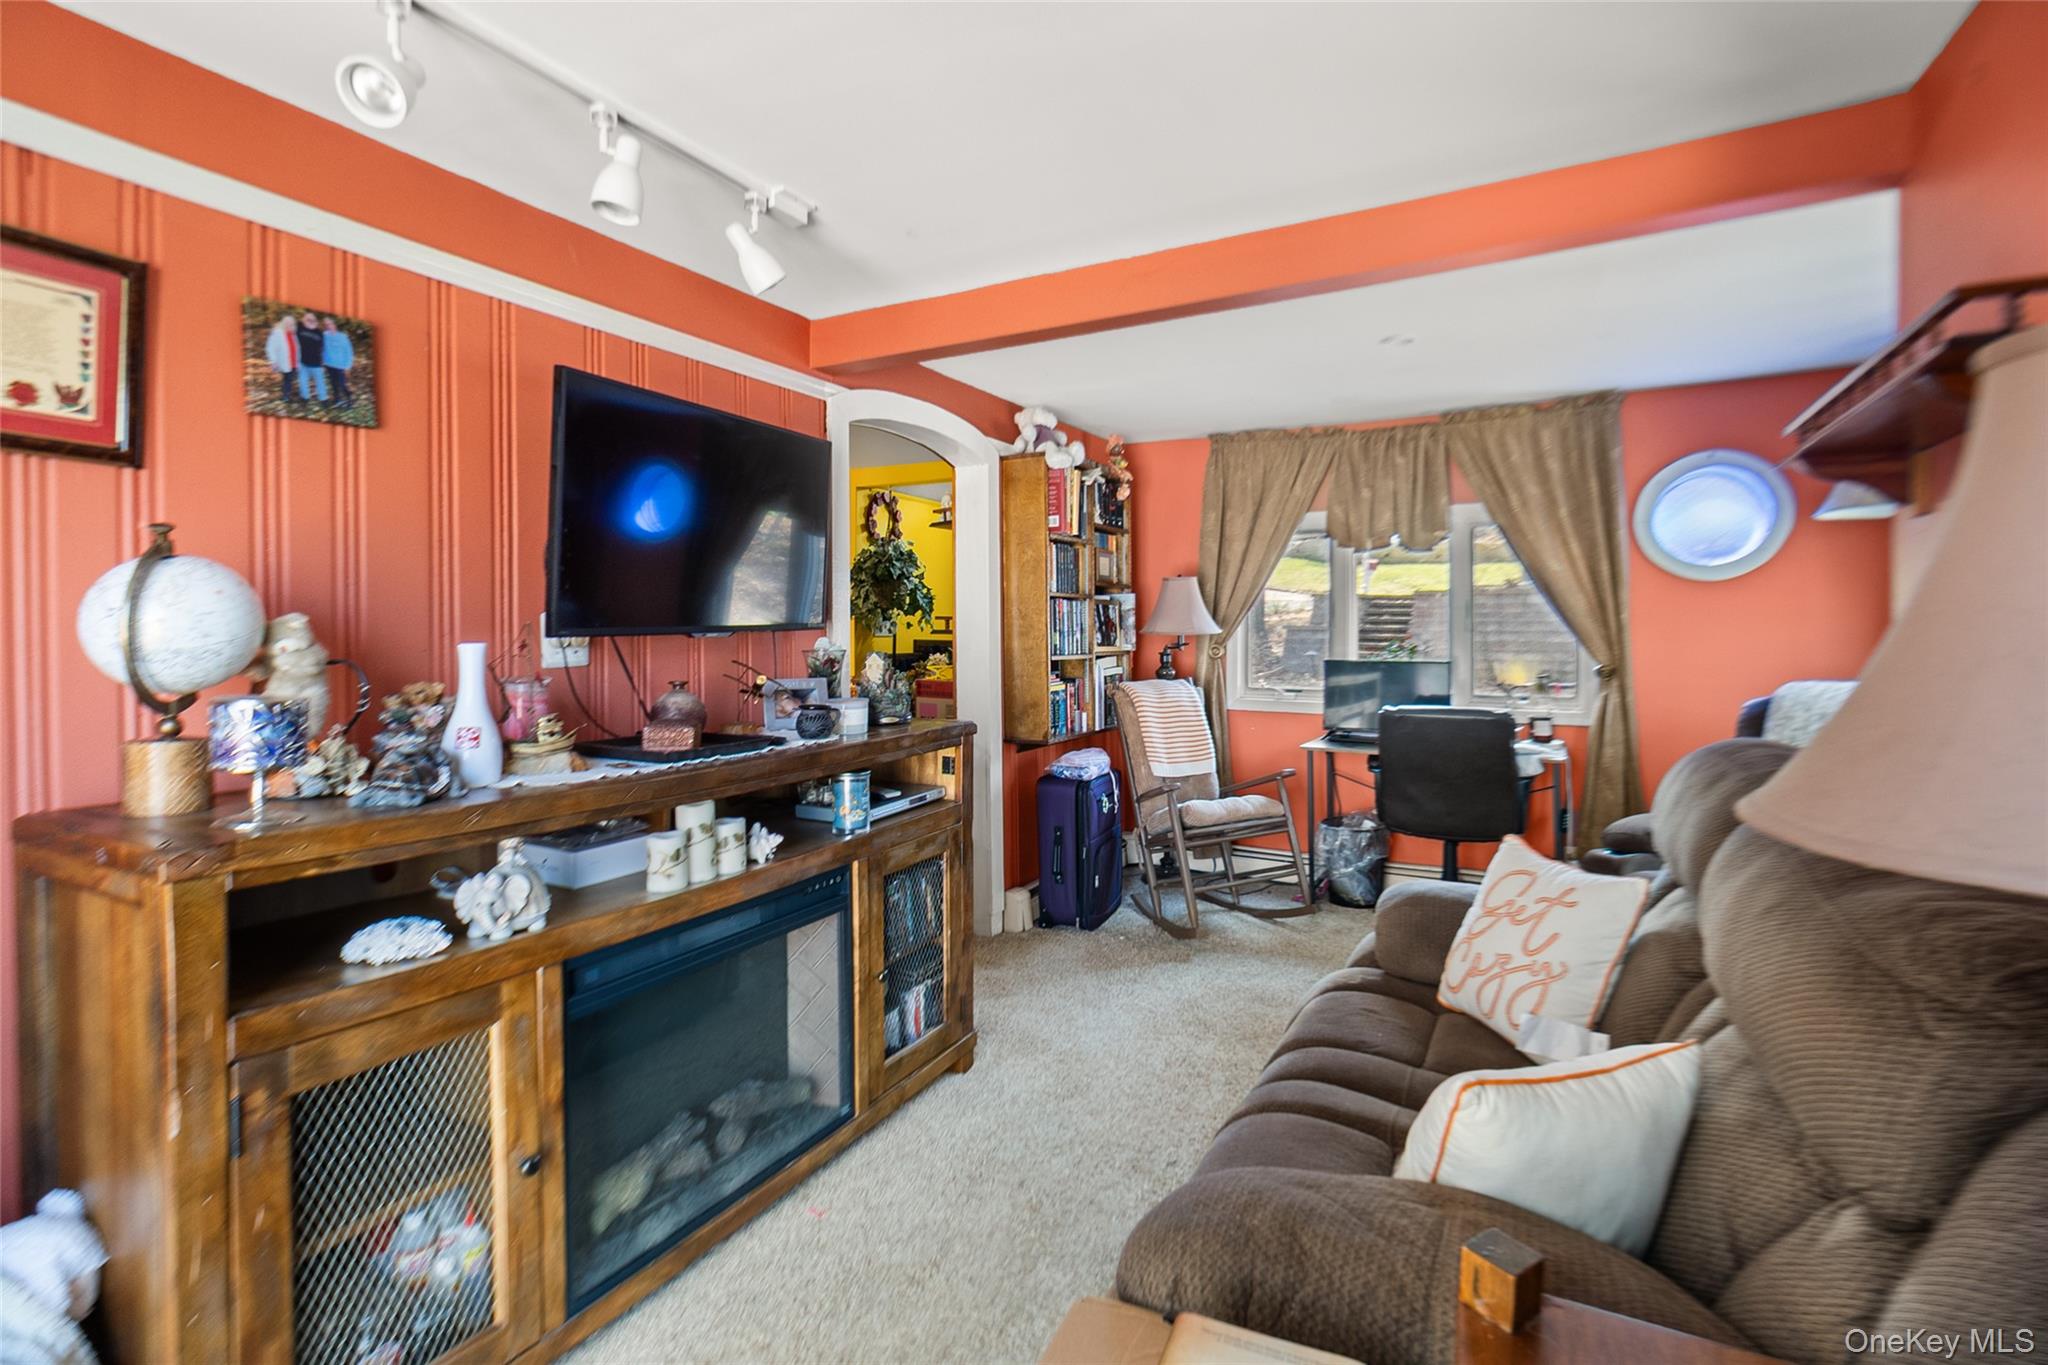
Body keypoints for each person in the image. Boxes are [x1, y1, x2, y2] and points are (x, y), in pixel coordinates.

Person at [293, 312, 329, 403]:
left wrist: (324, 361)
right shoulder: (299, 328)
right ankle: (305, 398)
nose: (311, 321)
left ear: (316, 322)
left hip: (316, 363)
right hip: (303, 362)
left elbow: (323, 348)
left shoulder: (319, 333)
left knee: (320, 382)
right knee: (303, 382)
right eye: (308, 319)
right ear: (303, 320)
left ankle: (323, 399)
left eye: (313, 320)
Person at [321, 317, 356, 409]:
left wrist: (348, 366)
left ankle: (350, 399)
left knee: (342, 384)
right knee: (333, 383)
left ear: (334, 325)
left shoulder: (342, 337)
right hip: (329, 365)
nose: (328, 326)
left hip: (341, 365)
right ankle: (337, 400)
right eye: (326, 325)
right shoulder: (324, 336)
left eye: (330, 324)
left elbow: (349, 352)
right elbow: (321, 348)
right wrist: (323, 360)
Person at [263, 315, 297, 405]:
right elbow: (270, 347)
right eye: (288, 323)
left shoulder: (293, 333)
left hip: (294, 361)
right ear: (284, 323)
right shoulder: (278, 332)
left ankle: (288, 394)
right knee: (287, 379)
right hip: (285, 361)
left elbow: (297, 347)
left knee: (290, 379)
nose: (289, 325)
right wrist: (273, 361)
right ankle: (286, 397)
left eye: (291, 324)